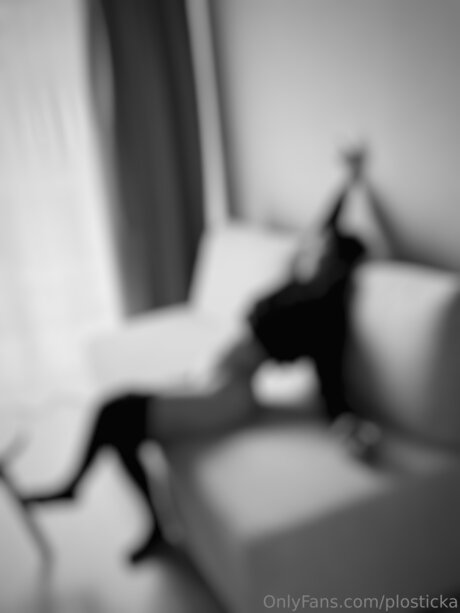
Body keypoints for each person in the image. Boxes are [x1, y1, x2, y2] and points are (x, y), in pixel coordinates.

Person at [21, 152, 378, 564]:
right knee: (123, 426)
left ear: (336, 264)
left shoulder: (324, 312)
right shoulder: (303, 277)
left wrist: (347, 427)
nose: (314, 248)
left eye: (325, 250)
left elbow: (332, 381)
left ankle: (73, 488)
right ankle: (151, 524)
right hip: (214, 375)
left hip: (226, 396)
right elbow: (324, 226)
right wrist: (349, 180)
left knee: (117, 409)